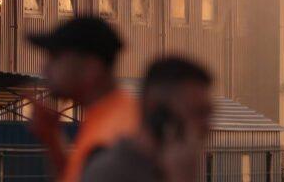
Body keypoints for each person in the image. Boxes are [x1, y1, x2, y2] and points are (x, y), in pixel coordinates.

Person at [27, 17, 139, 182]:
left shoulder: (113, 134)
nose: (45, 67)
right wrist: (52, 140)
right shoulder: (107, 117)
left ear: (91, 68)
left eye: (56, 57)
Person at [81, 56, 214, 182]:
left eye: (209, 114)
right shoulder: (109, 173)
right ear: (156, 110)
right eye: (197, 112)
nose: (207, 126)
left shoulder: (171, 167)